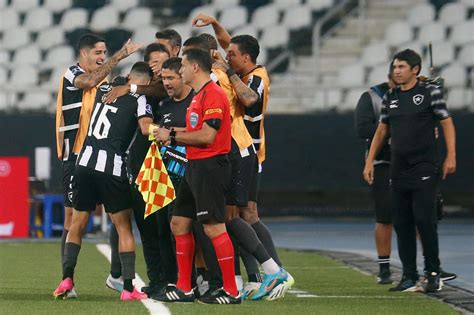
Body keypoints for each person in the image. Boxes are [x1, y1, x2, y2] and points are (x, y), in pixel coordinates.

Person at [193, 14, 294, 300]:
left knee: (237, 216)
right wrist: (214, 22)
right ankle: (248, 278)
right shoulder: (225, 72)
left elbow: (250, 100)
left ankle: (272, 271)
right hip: (235, 148)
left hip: (240, 149)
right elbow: (229, 45)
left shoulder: (238, 77)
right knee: (232, 216)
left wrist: (227, 71)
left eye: (233, 55)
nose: (228, 56)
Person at [53, 62, 155, 301]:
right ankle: (128, 288)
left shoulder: (103, 89)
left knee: (77, 223)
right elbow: (144, 128)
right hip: (112, 167)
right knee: (123, 227)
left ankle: (67, 279)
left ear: (130, 76)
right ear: (146, 84)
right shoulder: (140, 99)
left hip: (84, 162)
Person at [152, 48, 241, 304]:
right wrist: (169, 130)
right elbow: (194, 129)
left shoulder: (213, 94)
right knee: (178, 223)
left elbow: (206, 136)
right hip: (194, 166)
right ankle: (184, 288)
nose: (179, 71)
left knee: (214, 227)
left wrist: (171, 136)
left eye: (182, 66)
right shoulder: (199, 96)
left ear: (195, 68)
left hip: (210, 167)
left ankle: (231, 291)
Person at [363, 49, 456, 293]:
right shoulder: (390, 98)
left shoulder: (430, 93)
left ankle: (433, 272)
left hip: (425, 166)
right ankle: (409, 276)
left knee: (425, 220)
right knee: (402, 223)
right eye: (395, 67)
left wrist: (451, 156)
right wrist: (369, 161)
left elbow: (446, 123)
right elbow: (382, 131)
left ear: (415, 70)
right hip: (398, 167)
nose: (397, 71)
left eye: (402, 67)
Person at [355, 64, 396, 284]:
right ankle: (384, 268)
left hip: (413, 163)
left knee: (419, 216)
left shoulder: (418, 96)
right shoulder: (372, 97)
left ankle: (427, 266)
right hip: (383, 162)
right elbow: (362, 129)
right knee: (385, 215)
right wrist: (394, 129)